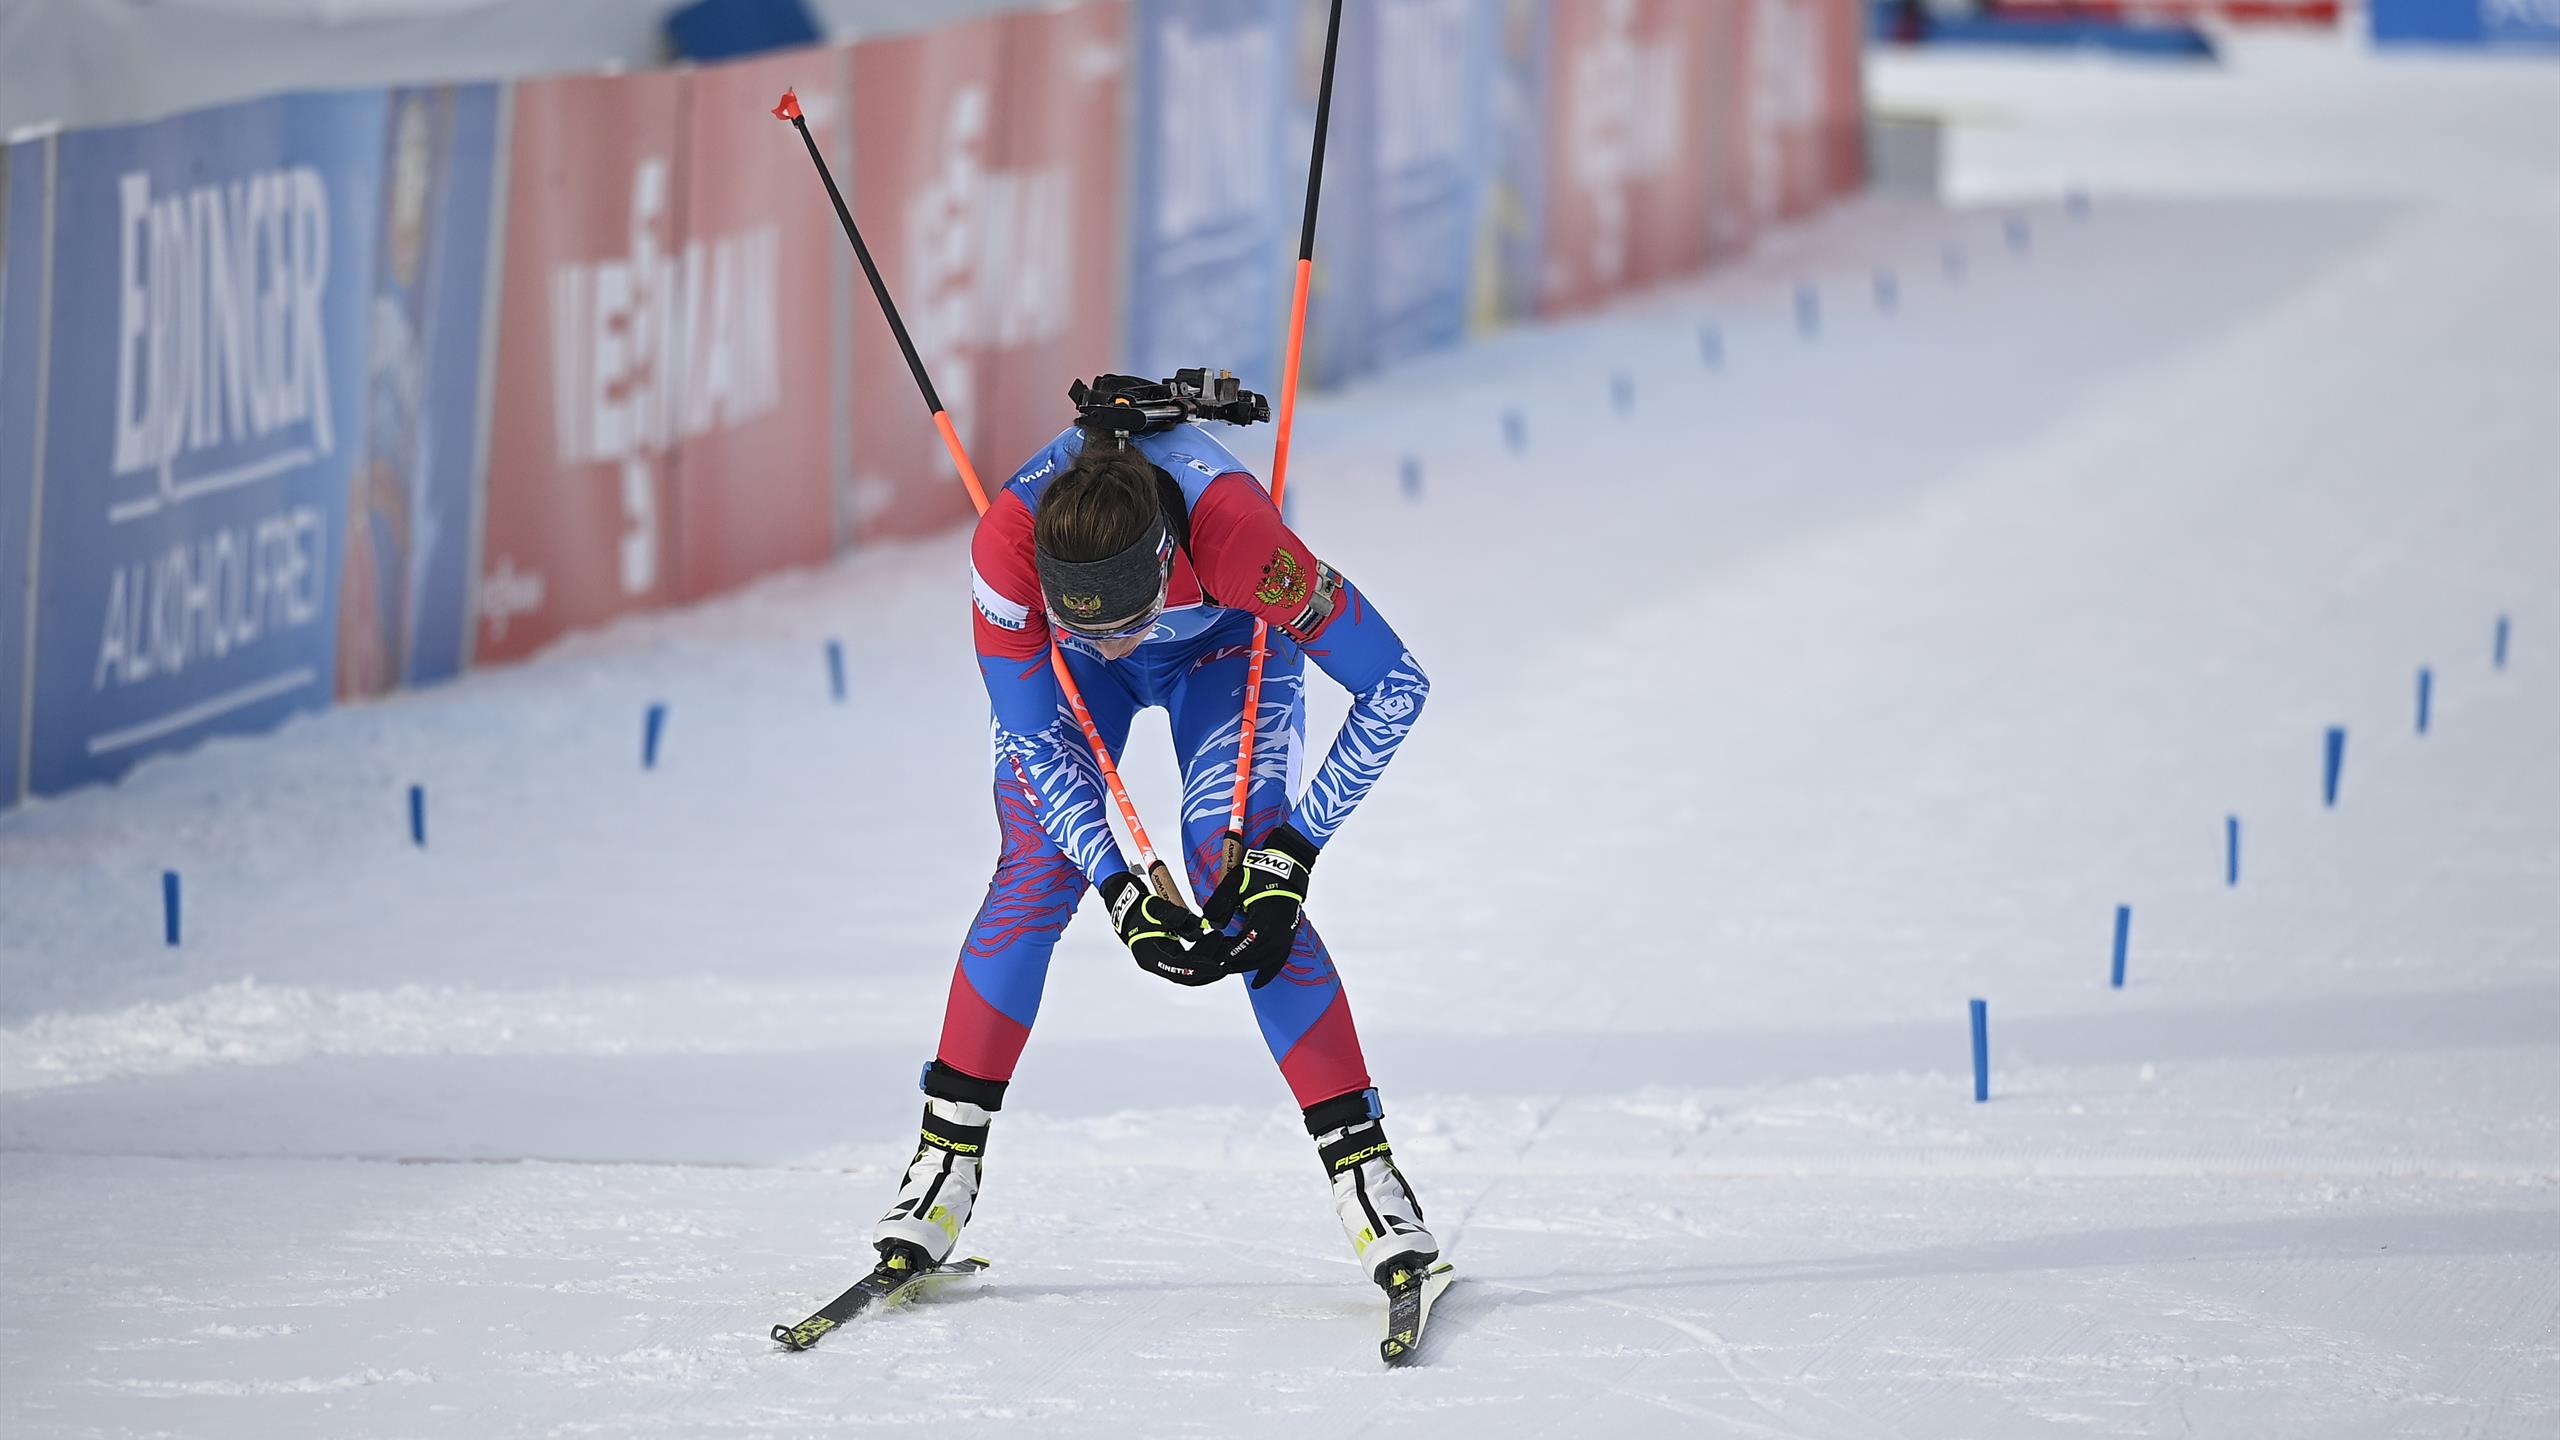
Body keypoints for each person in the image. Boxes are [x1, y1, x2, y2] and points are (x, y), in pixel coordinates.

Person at [868, 407, 1438, 1297]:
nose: (1114, 643)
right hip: (1070, 681)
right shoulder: (1004, 555)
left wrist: (1293, 851)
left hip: (1223, 647)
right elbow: (1035, 745)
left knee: (1235, 877)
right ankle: (944, 1162)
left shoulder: (1240, 540)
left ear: (1167, 562)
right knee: (1036, 870)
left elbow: (1396, 685)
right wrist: (1118, 890)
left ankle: (1367, 1174)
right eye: (1087, 625)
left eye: (1127, 621)